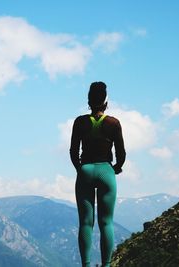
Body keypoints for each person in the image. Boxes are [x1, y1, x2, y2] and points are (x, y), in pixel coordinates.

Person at [70, 81, 126, 267]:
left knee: (86, 222)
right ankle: (106, 265)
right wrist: (116, 168)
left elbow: (72, 152)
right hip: (106, 171)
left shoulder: (80, 122)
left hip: (85, 170)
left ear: (88, 101)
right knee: (106, 223)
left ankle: (86, 265)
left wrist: (81, 169)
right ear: (106, 102)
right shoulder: (113, 123)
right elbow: (122, 154)